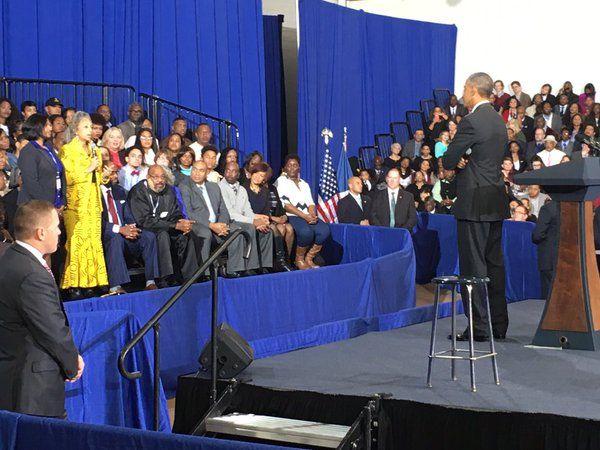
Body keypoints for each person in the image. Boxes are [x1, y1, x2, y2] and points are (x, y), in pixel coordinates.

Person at [442, 72, 510, 342]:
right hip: (495, 199)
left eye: (464, 88)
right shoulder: (498, 120)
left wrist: (461, 160)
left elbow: (448, 159)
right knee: (494, 264)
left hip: (473, 202)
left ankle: (480, 328)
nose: (463, 92)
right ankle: (499, 324)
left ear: (472, 89)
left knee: (473, 267)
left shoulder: (471, 121)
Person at [0, 200, 84, 417]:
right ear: (40, 233)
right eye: (56, 226)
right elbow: (52, 329)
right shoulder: (32, 274)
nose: (59, 231)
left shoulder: (10, 257)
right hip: (33, 390)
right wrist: (72, 363)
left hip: (15, 380)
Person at [179, 160, 257, 277]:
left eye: (201, 171)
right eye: (194, 169)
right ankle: (204, 274)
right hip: (198, 224)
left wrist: (221, 225)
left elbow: (223, 209)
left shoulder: (214, 186)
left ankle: (233, 269)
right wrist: (211, 225)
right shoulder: (185, 186)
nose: (197, 173)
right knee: (205, 233)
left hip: (217, 224)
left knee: (237, 231)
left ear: (206, 173)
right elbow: (189, 212)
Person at [60, 112, 108, 298]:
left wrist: (103, 176)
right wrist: (88, 169)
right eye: (86, 127)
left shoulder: (95, 149)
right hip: (76, 204)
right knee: (77, 243)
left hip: (93, 203)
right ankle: (73, 283)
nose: (90, 131)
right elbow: (68, 178)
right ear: (76, 129)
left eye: (91, 127)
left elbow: (97, 177)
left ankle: (92, 281)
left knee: (92, 241)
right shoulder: (68, 150)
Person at [128, 165, 199, 286]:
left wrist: (181, 222)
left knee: (186, 234)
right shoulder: (138, 191)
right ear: (148, 178)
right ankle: (165, 278)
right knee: (163, 235)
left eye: (162, 177)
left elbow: (176, 212)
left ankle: (190, 277)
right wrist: (174, 225)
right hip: (146, 230)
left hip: (168, 225)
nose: (160, 181)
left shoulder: (169, 190)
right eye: (156, 177)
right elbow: (144, 221)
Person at [100, 162, 159, 294]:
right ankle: (115, 286)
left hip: (125, 232)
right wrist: (119, 229)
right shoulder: (94, 194)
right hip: (107, 234)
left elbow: (128, 215)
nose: (115, 176)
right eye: (112, 173)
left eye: (116, 172)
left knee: (148, 236)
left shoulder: (119, 191)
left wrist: (131, 228)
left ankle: (151, 281)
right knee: (115, 238)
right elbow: (97, 222)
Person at [274, 155, 330, 270]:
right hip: (293, 216)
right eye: (289, 165)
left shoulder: (304, 184)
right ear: (285, 168)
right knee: (306, 232)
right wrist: (305, 216)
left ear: (299, 168)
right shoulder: (281, 182)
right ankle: (298, 259)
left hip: (307, 215)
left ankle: (309, 258)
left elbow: (310, 203)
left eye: (295, 165)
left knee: (324, 230)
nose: (292, 168)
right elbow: (286, 205)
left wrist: (312, 215)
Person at [219, 162, 274, 274]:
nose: (230, 174)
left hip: (242, 220)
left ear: (238, 174)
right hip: (228, 221)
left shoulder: (241, 189)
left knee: (267, 230)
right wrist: (254, 221)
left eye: (234, 171)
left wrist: (260, 221)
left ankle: (263, 265)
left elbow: (248, 211)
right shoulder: (220, 187)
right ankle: (248, 266)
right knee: (249, 228)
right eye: (227, 171)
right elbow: (230, 214)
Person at [245, 162, 294, 271]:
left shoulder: (265, 191)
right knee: (274, 229)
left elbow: (266, 211)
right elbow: (244, 210)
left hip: (263, 219)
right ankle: (278, 261)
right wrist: (257, 219)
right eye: (256, 174)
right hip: (249, 219)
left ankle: (280, 261)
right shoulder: (244, 188)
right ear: (252, 174)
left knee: (278, 228)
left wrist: (265, 219)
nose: (258, 177)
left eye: (262, 175)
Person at [17, 114, 66, 209]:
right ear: (37, 127)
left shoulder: (48, 147)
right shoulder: (29, 151)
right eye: (47, 125)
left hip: (55, 204)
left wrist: (62, 200)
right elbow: (31, 183)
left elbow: (60, 174)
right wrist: (47, 205)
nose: (51, 128)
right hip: (35, 207)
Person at [532, 201, 559, 300]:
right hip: (568, 257)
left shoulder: (548, 208)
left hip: (549, 258)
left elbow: (537, 235)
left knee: (548, 296)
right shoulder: (572, 205)